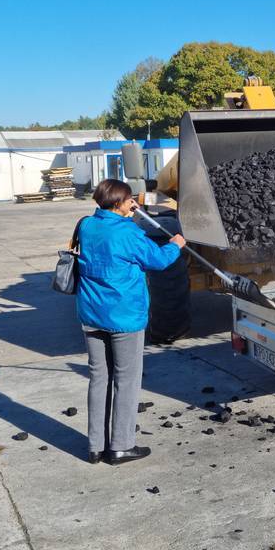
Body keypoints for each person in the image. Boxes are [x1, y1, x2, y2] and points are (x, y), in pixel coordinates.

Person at [76, 178, 186, 464]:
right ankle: (121, 446)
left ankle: (95, 446)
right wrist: (175, 245)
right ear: (118, 203)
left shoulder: (86, 225)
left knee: (99, 378)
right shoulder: (128, 232)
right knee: (126, 380)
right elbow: (157, 260)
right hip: (124, 316)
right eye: (129, 200)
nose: (132, 203)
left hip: (91, 313)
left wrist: (130, 212)